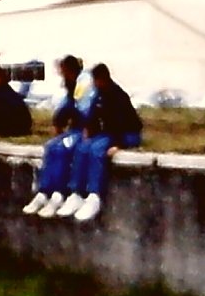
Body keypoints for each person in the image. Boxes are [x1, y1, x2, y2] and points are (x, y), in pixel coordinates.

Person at [55, 62, 143, 223]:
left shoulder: (118, 96)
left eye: (97, 80)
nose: (95, 84)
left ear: (104, 79)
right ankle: (76, 192)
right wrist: (88, 130)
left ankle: (94, 194)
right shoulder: (99, 94)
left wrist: (118, 144)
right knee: (82, 148)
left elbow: (122, 123)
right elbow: (94, 116)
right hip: (109, 132)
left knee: (97, 150)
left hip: (127, 134)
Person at [23, 55, 95, 217]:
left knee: (63, 148)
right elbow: (67, 105)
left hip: (87, 129)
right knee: (51, 146)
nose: (61, 75)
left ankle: (59, 193)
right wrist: (58, 122)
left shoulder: (84, 84)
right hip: (75, 128)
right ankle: (44, 191)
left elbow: (86, 110)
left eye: (62, 71)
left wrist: (86, 129)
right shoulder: (71, 85)